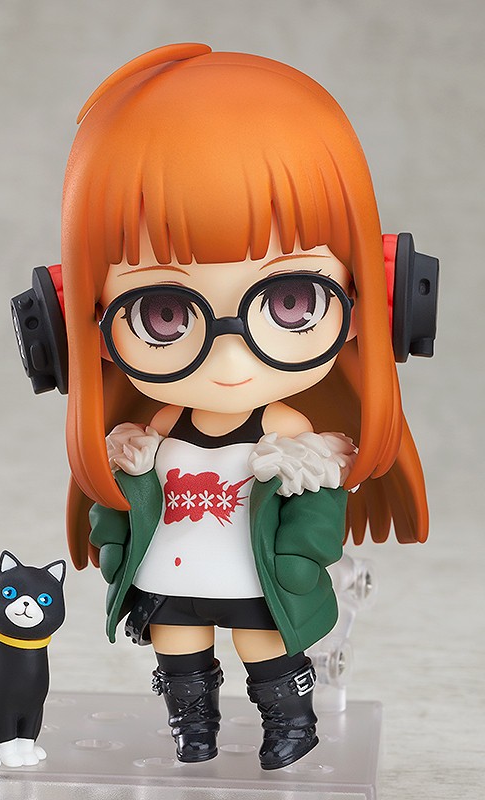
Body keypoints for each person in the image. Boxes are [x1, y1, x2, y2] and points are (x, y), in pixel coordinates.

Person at [56, 44, 429, 770]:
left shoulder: (288, 432)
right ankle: (191, 727)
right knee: (178, 650)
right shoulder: (153, 430)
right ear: (79, 321)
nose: (229, 362)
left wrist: (297, 560)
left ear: (377, 300)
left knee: (266, 650)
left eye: (290, 302)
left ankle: (290, 725)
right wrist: (116, 545)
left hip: (257, 578)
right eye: (165, 314)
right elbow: (124, 499)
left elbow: (316, 506)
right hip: (173, 572)